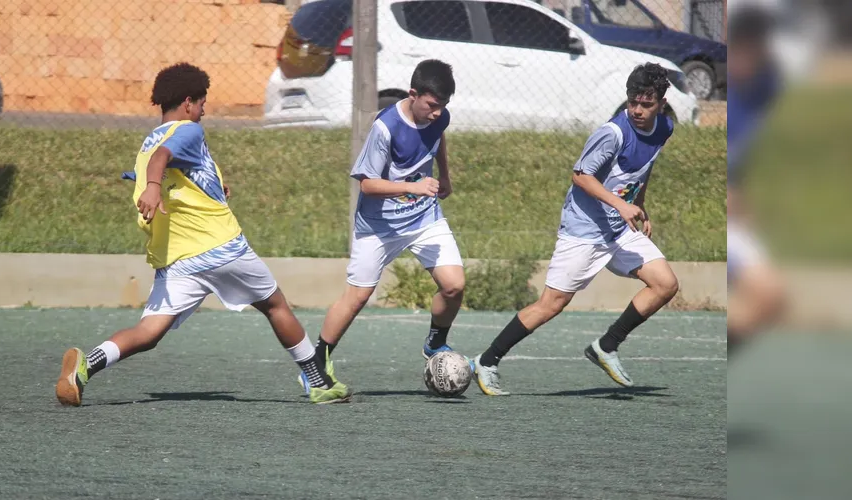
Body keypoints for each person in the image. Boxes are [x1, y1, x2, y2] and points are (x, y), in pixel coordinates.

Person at [55, 62, 350, 406]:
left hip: (178, 259)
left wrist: (209, 184)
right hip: (220, 247)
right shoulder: (187, 131)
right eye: (201, 102)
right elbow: (164, 160)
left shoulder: (147, 143)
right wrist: (152, 186)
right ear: (187, 102)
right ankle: (318, 381)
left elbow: (170, 167)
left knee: (148, 333)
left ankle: (85, 368)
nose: (204, 110)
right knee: (274, 305)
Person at [471, 63, 680, 395]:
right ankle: (487, 360)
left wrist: (641, 204)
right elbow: (581, 176)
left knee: (665, 284)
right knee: (552, 304)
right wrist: (620, 204)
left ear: (662, 102)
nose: (638, 110)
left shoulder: (664, 128)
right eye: (632, 103)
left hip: (619, 229)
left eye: (646, 104)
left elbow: (642, 169)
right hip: (584, 230)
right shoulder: (612, 133)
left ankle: (606, 346)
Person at [299, 59, 466, 393]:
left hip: (423, 218)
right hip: (379, 225)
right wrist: (414, 186)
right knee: (357, 296)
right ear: (413, 94)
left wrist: (445, 175)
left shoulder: (439, 116)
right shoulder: (385, 127)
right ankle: (315, 364)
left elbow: (438, 138)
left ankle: (435, 345)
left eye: (443, 106)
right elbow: (367, 185)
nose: (437, 113)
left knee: (454, 286)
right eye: (432, 105)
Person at [725, 4, 787, 354]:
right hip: (727, 222)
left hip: (738, 221)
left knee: (771, 299)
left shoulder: (763, 91)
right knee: (769, 293)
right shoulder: (731, 97)